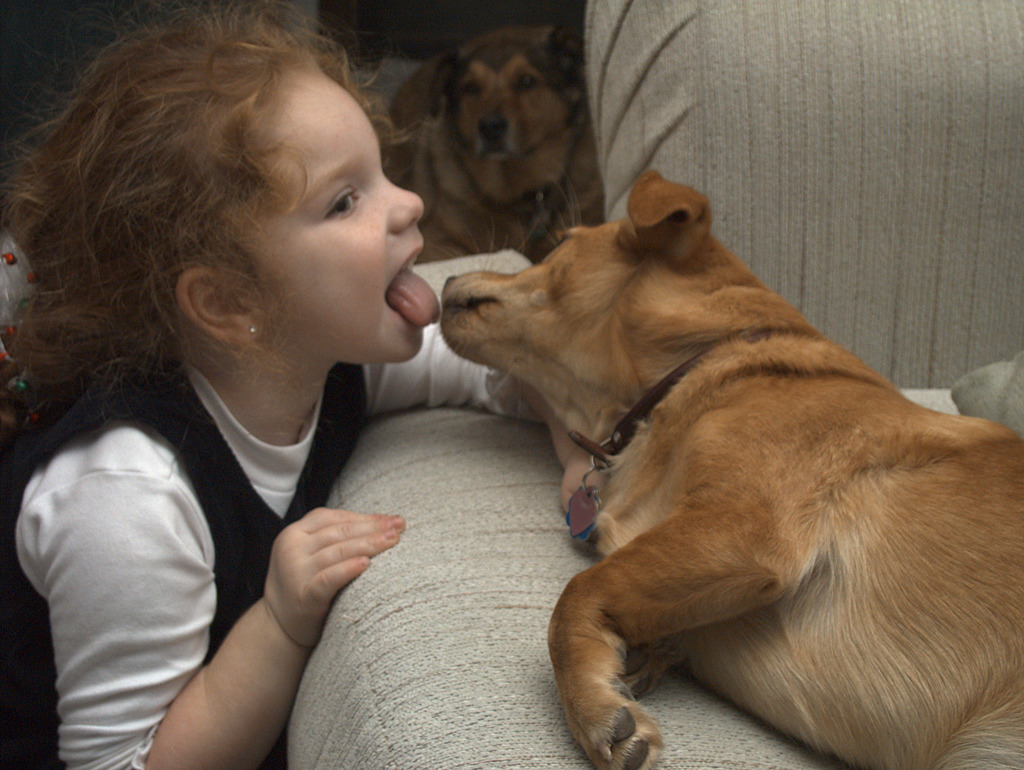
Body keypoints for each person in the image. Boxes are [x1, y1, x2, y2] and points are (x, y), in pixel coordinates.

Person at [0, 4, 589, 768]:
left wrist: (576, 449)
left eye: (383, 173)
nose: (409, 204)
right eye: (345, 200)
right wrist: (279, 624)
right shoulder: (126, 498)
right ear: (229, 303)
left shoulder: (316, 355)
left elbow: (497, 366)